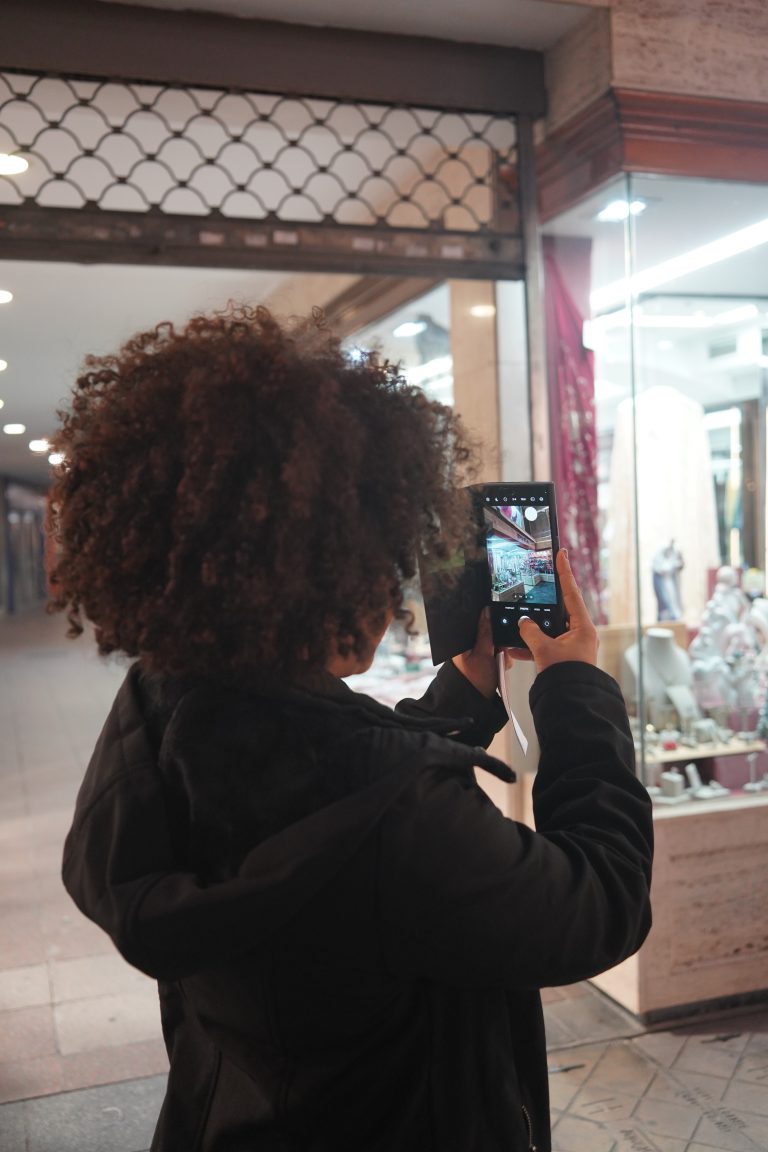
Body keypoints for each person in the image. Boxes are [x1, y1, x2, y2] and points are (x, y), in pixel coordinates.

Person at [49, 305, 653, 1152]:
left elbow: (311, 783)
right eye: (380, 561)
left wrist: (464, 691)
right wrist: (578, 690)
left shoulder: (158, 710)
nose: (390, 592)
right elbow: (600, 905)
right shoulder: (398, 824)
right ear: (319, 574)